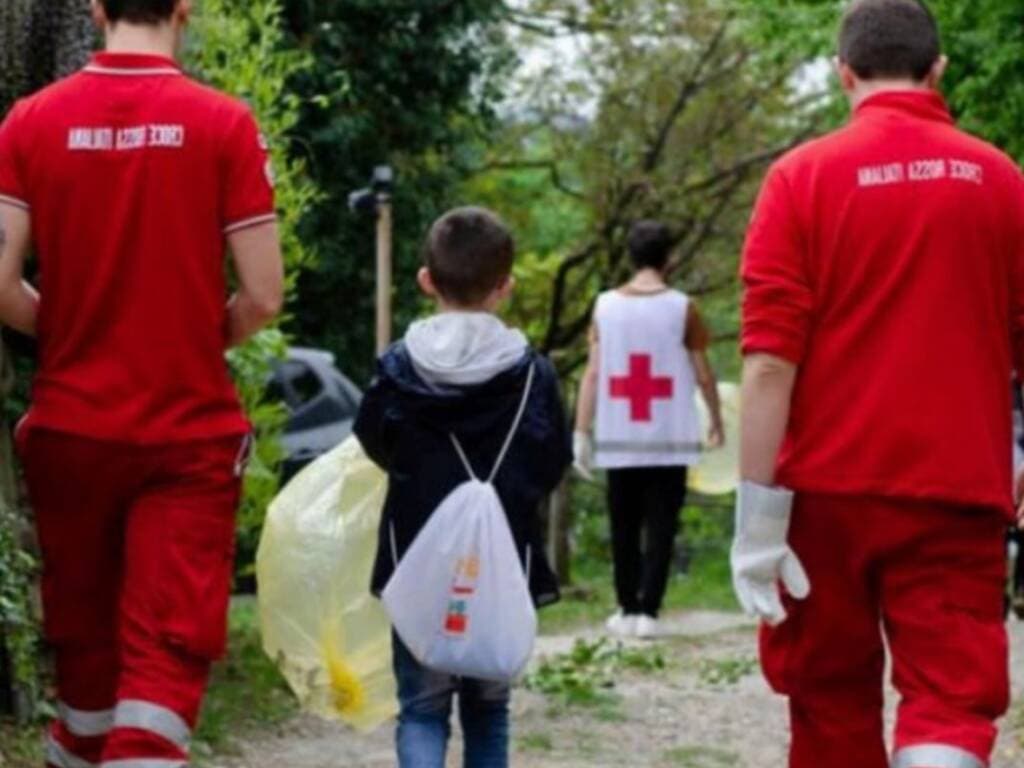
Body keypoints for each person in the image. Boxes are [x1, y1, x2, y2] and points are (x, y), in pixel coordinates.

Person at [731, 1, 1023, 766]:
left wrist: (757, 519)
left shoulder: (799, 179)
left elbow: (767, 364)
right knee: (951, 699)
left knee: (826, 699)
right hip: (959, 487)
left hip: (822, 497)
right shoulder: (1002, 180)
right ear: (938, 71)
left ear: (843, 74)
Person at [0, 0, 283, 765]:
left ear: (96, 9)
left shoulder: (29, 122)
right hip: (183, 438)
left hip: (68, 431)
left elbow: (1, 284)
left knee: (85, 665)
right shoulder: (223, 123)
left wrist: (73, 330)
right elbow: (262, 294)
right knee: (161, 659)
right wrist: (182, 333)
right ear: (183, 9)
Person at [354, 207, 571, 768]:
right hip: (501, 567)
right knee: (488, 711)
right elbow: (552, 460)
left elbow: (375, 442)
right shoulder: (532, 373)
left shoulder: (399, 366)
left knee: (422, 711)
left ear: (427, 280)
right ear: (505, 287)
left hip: (417, 564)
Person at [573, 220, 725, 640]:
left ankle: (626, 607)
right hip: (670, 438)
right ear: (669, 258)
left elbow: (593, 372)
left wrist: (581, 432)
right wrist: (715, 419)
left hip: (620, 438)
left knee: (623, 524)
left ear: (630, 256)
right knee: (662, 526)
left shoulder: (604, 306)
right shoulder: (683, 307)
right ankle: (650, 612)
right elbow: (703, 374)